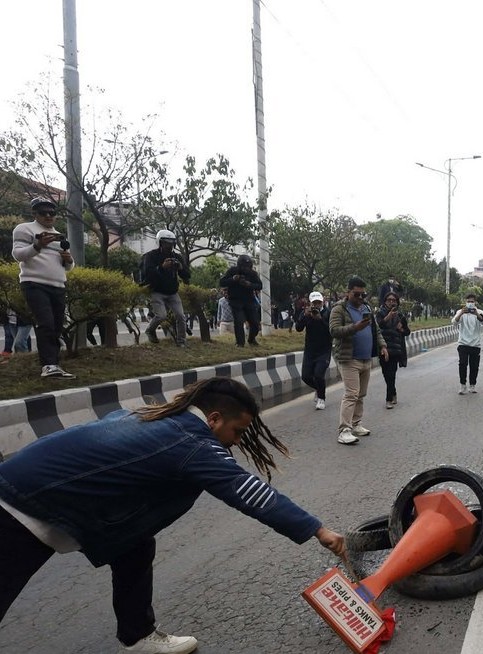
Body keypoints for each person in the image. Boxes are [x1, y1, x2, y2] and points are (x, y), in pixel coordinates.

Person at [0, 377, 347, 654]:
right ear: (213, 419)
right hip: (21, 504)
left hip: (32, 488)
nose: (238, 441)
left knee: (135, 546)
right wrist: (319, 530)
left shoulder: (160, 418)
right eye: (238, 431)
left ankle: (138, 635)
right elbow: (250, 492)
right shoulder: (193, 444)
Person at [11, 196, 74, 378]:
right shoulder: (24, 229)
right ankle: (48, 365)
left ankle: (54, 365)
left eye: (52, 212)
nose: (48, 216)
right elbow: (18, 254)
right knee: (45, 323)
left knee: (56, 326)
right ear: (34, 213)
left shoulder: (59, 235)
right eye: (43, 212)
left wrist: (69, 260)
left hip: (58, 285)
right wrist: (38, 245)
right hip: (34, 283)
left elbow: (68, 266)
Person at [329, 277, 388, 445]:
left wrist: (383, 345)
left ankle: (356, 424)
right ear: (348, 292)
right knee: (351, 394)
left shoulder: (366, 308)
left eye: (363, 294)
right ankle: (344, 430)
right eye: (357, 294)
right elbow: (334, 330)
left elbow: (376, 330)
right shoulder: (339, 309)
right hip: (349, 358)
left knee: (361, 394)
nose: (360, 297)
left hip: (365, 358)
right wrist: (355, 327)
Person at [141, 230, 191, 347]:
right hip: (156, 291)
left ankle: (181, 341)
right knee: (161, 316)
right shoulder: (151, 256)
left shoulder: (176, 257)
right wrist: (161, 267)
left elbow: (187, 275)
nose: (169, 246)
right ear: (160, 243)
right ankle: (150, 330)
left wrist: (180, 268)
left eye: (171, 243)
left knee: (181, 316)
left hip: (173, 292)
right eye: (166, 243)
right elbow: (147, 273)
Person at [295, 291, 332, 411]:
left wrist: (320, 319)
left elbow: (331, 330)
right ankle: (318, 388)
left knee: (318, 374)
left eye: (319, 302)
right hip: (310, 350)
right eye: (314, 303)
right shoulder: (306, 313)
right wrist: (305, 316)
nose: (317, 305)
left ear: (322, 302)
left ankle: (321, 398)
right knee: (306, 376)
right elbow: (298, 328)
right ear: (310, 303)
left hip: (324, 349)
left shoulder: (328, 313)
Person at [219, 254, 263, 348]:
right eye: (244, 267)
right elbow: (222, 282)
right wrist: (233, 279)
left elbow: (259, 285)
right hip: (235, 301)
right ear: (239, 265)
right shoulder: (232, 271)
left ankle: (251, 339)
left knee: (255, 323)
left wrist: (249, 284)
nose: (246, 269)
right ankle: (240, 343)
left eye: (248, 267)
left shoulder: (253, 273)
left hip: (249, 300)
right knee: (239, 322)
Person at [376, 292, 411, 410]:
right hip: (383, 348)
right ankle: (393, 391)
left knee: (392, 373)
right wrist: (388, 317)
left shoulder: (400, 316)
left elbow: (407, 332)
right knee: (386, 373)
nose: (391, 302)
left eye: (394, 300)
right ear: (385, 301)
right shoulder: (380, 313)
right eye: (389, 300)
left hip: (396, 348)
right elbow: (377, 326)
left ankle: (388, 399)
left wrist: (401, 329)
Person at [453, 292, 483, 394]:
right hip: (463, 343)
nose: (470, 303)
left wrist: (476, 314)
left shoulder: (479, 312)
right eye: (468, 301)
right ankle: (463, 385)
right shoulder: (461, 312)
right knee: (462, 364)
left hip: (475, 344)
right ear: (465, 302)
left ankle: (472, 385)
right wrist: (461, 313)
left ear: (475, 302)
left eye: (472, 301)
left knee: (474, 366)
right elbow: (454, 322)